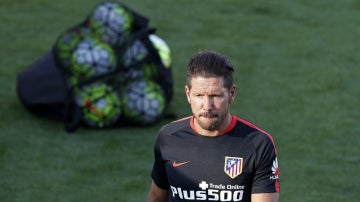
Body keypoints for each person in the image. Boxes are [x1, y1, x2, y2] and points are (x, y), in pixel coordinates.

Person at [147, 50, 280, 202]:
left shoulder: (258, 144)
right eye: (199, 96)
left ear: (232, 94)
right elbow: (156, 198)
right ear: (187, 94)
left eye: (215, 96)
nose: (207, 106)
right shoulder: (168, 137)